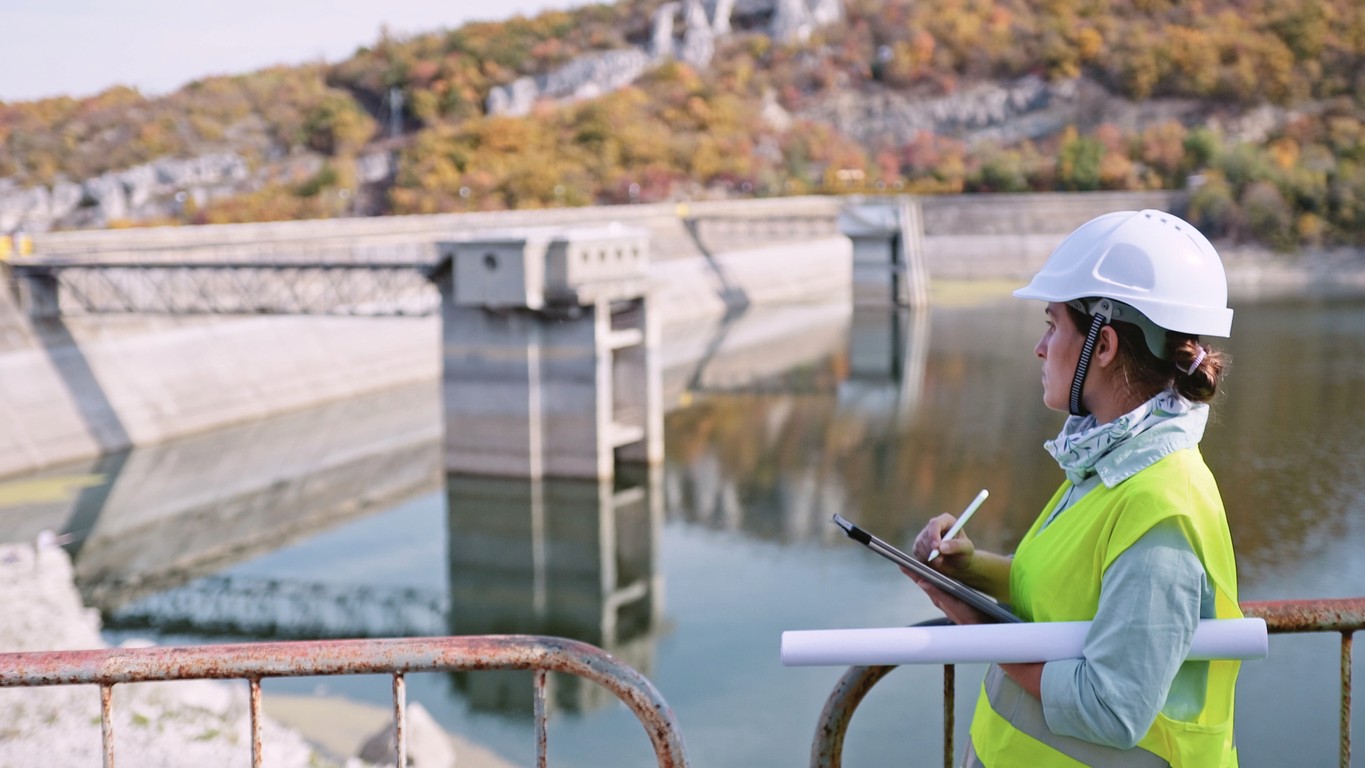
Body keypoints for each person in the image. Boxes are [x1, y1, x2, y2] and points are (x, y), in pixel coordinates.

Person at [908, 209, 1242, 767]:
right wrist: (968, 569)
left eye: (1052, 325)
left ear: (1102, 346)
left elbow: (1111, 709)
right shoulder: (1111, 462)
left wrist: (975, 626)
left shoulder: (1164, 507)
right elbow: (1066, 588)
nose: (1040, 348)